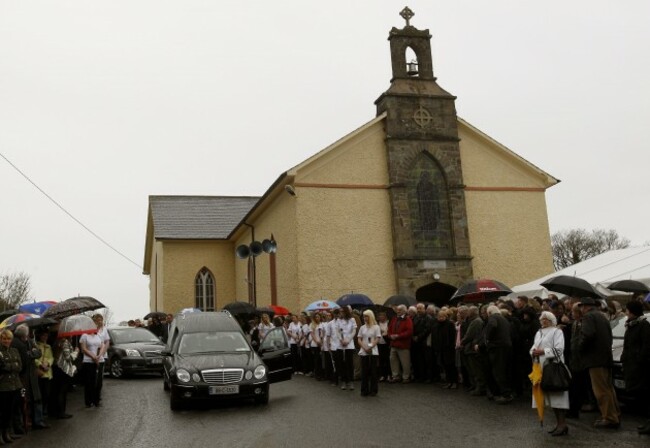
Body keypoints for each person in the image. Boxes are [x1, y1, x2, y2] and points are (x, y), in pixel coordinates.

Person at [578, 297, 620, 429]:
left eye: (581, 307)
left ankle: (609, 417)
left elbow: (588, 335)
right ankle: (615, 414)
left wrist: (580, 346)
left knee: (600, 390)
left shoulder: (589, 317)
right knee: (608, 388)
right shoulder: (602, 316)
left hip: (595, 359)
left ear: (585, 307)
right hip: (605, 357)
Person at [530, 311, 570, 436]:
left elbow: (559, 350)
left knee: (557, 396)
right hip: (541, 368)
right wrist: (533, 352)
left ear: (552, 320)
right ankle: (559, 424)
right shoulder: (539, 332)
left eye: (546, 319)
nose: (544, 321)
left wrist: (543, 352)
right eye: (542, 319)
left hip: (553, 368)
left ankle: (562, 424)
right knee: (549, 397)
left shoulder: (557, 332)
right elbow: (533, 347)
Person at [620, 300, 650, 435]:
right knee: (641, 395)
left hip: (641, 367)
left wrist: (639, 360)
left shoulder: (643, 325)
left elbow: (646, 346)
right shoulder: (631, 325)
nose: (626, 313)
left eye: (627, 310)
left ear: (632, 312)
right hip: (632, 365)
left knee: (645, 395)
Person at [485, 305, 513, 404]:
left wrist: (488, 338)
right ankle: (505, 392)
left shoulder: (493, 317)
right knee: (503, 370)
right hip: (506, 346)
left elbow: (492, 325)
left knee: (498, 371)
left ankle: (506, 394)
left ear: (489, 313)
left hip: (497, 347)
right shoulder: (504, 319)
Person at [0, 329, 23, 444]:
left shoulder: (14, 350)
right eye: (4, 338)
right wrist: (12, 366)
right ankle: (1, 434)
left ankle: (7, 433)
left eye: (8, 338)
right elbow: (1, 367)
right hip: (3, 387)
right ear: (1, 339)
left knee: (11, 411)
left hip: (15, 385)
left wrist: (10, 366)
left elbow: (20, 367)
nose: (6, 341)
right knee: (2, 412)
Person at [49, 336, 78, 419]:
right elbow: (68, 357)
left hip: (57, 369)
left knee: (57, 390)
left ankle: (55, 411)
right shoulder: (65, 342)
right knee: (62, 391)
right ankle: (61, 412)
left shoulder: (58, 341)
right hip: (62, 369)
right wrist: (76, 352)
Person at [79, 327, 105, 408]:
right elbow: (83, 349)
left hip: (99, 360)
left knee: (98, 382)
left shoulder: (99, 336)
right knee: (89, 382)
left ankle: (96, 400)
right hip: (88, 361)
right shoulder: (84, 336)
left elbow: (102, 346)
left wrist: (99, 355)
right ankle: (89, 402)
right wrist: (93, 357)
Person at [387, 304, 413, 383]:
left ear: (404, 311)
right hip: (393, 344)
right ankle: (395, 376)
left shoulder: (408, 320)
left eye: (400, 310)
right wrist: (390, 336)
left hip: (403, 345)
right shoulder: (394, 319)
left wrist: (398, 336)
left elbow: (409, 332)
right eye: (397, 310)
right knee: (393, 360)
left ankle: (406, 377)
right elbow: (389, 329)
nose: (398, 311)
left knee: (405, 362)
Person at [357, 309, 380, 396]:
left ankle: (374, 390)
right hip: (364, 351)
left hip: (373, 351)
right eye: (363, 316)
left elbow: (377, 338)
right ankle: (364, 390)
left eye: (366, 316)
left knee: (373, 371)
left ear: (370, 317)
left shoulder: (376, 327)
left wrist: (371, 346)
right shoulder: (362, 327)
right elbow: (359, 338)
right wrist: (364, 347)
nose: (364, 318)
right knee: (364, 371)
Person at [34, 329, 54, 420]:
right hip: (40, 372)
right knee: (40, 394)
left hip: (48, 372)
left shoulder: (48, 346)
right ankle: (40, 413)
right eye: (43, 335)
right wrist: (41, 364)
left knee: (47, 394)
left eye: (46, 336)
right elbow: (34, 359)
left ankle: (45, 410)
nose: (45, 337)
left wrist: (48, 363)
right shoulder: (36, 345)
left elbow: (51, 357)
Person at [92, 314, 110, 406]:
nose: (99, 322)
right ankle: (91, 397)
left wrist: (102, 353)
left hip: (102, 356)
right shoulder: (91, 329)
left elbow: (107, 342)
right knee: (93, 378)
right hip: (92, 356)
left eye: (101, 320)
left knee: (99, 379)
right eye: (97, 320)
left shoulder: (104, 329)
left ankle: (97, 398)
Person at [338, 306, 357, 390]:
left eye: (342, 311)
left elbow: (354, 331)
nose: (341, 313)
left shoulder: (352, 320)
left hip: (349, 344)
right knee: (342, 363)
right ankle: (343, 381)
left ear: (346, 312)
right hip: (341, 344)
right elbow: (338, 332)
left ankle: (351, 381)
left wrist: (348, 340)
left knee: (349, 363)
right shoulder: (339, 321)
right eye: (340, 312)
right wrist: (341, 340)